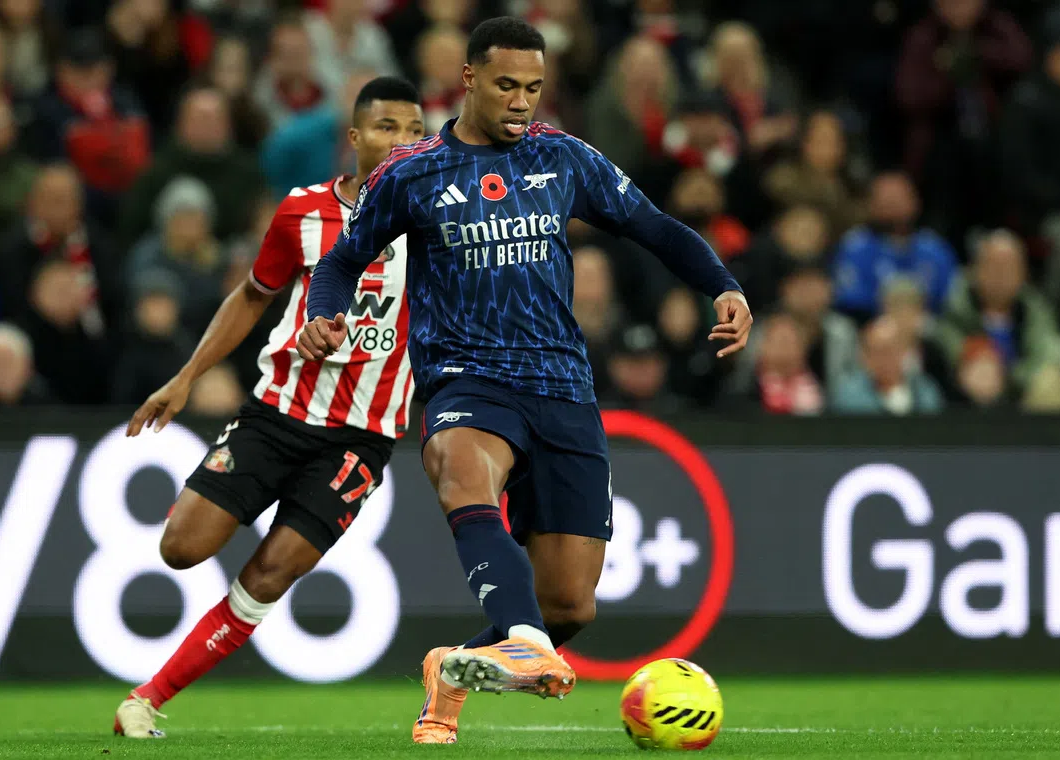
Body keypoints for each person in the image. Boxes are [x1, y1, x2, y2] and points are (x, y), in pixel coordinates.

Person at [299, 17, 751, 745]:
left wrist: (722, 285)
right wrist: (323, 315)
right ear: (470, 80)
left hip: (562, 388)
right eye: (507, 85)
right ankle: (523, 640)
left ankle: (456, 669)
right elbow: (342, 261)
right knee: (460, 470)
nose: (521, 102)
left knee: (568, 606)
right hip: (466, 377)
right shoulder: (411, 173)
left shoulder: (564, 158)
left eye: (534, 88)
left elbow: (655, 226)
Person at [111, 76, 425, 739]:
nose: (402, 141)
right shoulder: (302, 212)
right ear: (356, 137)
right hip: (279, 410)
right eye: (388, 127)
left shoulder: (434, 224)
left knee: (271, 572)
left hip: (361, 436)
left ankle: (148, 699)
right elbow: (253, 295)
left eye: (415, 130)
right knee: (181, 547)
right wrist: (187, 375)